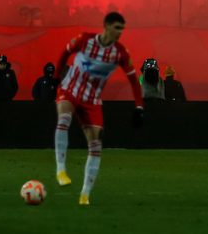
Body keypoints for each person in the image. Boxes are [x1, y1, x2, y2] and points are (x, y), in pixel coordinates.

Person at [52, 12, 144, 206]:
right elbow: (64, 53)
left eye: (122, 29)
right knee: (64, 119)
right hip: (70, 89)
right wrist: (56, 78)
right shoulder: (84, 40)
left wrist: (139, 106)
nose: (120, 32)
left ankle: (85, 195)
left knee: (95, 146)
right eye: (117, 28)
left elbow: (134, 81)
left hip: (92, 99)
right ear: (107, 26)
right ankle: (61, 170)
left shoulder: (120, 53)